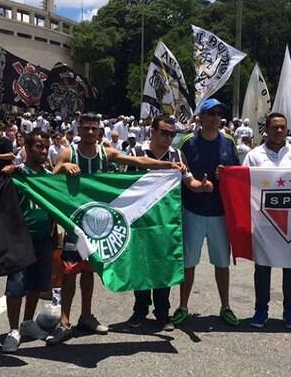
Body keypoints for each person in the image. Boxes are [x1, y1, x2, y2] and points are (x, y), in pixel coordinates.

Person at [49, 113, 184, 342]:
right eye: (86, 128)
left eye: (94, 129)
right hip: (76, 220)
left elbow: (138, 162)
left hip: (97, 221)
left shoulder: (106, 152)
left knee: (90, 270)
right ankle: (64, 321)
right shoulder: (67, 152)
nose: (90, 132)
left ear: (99, 131)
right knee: (70, 271)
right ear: (79, 129)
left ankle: (86, 316)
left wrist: (167, 164)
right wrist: (63, 167)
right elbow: (50, 180)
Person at [126, 115, 213, 330]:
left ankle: (162, 312)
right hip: (142, 218)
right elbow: (123, 183)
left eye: (172, 134)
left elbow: (189, 181)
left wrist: (202, 186)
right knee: (142, 265)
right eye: (164, 132)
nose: (168, 137)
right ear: (152, 131)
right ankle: (140, 309)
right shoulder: (136, 153)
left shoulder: (177, 155)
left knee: (164, 266)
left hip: (168, 220)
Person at [242, 112, 291, 329]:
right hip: (264, 221)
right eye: (274, 127)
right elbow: (242, 182)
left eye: (282, 127)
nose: (278, 131)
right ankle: (260, 310)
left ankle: (290, 310)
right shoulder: (254, 155)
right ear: (265, 129)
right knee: (263, 268)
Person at [172, 98, 241, 327]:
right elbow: (179, 173)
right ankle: (183, 306)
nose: (215, 119)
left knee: (222, 263)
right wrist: (197, 186)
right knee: (188, 262)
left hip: (220, 213)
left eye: (218, 114)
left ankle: (225, 306)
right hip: (193, 211)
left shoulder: (229, 142)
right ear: (200, 118)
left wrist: (226, 175)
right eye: (210, 114)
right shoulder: (187, 142)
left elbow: (238, 173)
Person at [1, 129, 58, 353]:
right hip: (19, 239)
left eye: (46, 147)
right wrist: (4, 174)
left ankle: (27, 323)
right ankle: (13, 330)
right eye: (38, 146)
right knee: (16, 286)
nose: (43, 151)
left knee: (36, 283)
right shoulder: (15, 175)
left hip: (44, 237)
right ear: (27, 147)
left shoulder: (49, 177)